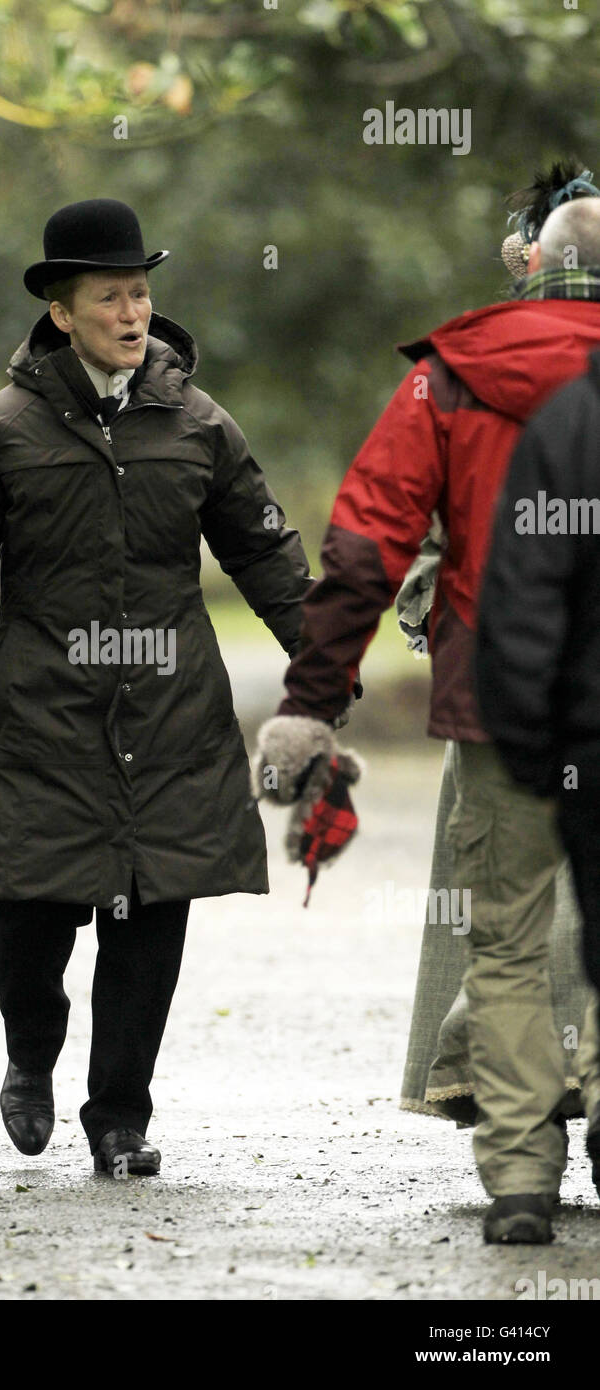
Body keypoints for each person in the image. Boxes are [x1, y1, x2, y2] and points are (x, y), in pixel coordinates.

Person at [0, 198, 312, 1177]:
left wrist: (320, 662)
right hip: (45, 722)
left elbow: (266, 552)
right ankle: (32, 1050)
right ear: (62, 312)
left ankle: (118, 1117)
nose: (132, 313)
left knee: (150, 914)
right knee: (28, 918)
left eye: (141, 293)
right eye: (110, 296)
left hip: (171, 723)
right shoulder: (1, 433)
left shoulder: (197, 423)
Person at [252, 189, 600, 1243]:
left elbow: (365, 542)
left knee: (500, 942)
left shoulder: (448, 377)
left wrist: (312, 703)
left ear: (525, 268)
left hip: (504, 712)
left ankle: (522, 1180)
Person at [399, 167, 599, 1129]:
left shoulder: (466, 367)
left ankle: (510, 1110)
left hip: (497, 676)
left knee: (512, 916)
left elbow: (424, 513)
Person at [475, 344, 600, 1201]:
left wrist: (529, 745)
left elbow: (523, 594)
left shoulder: (567, 424)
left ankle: (521, 1178)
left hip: (587, 746)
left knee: (532, 946)